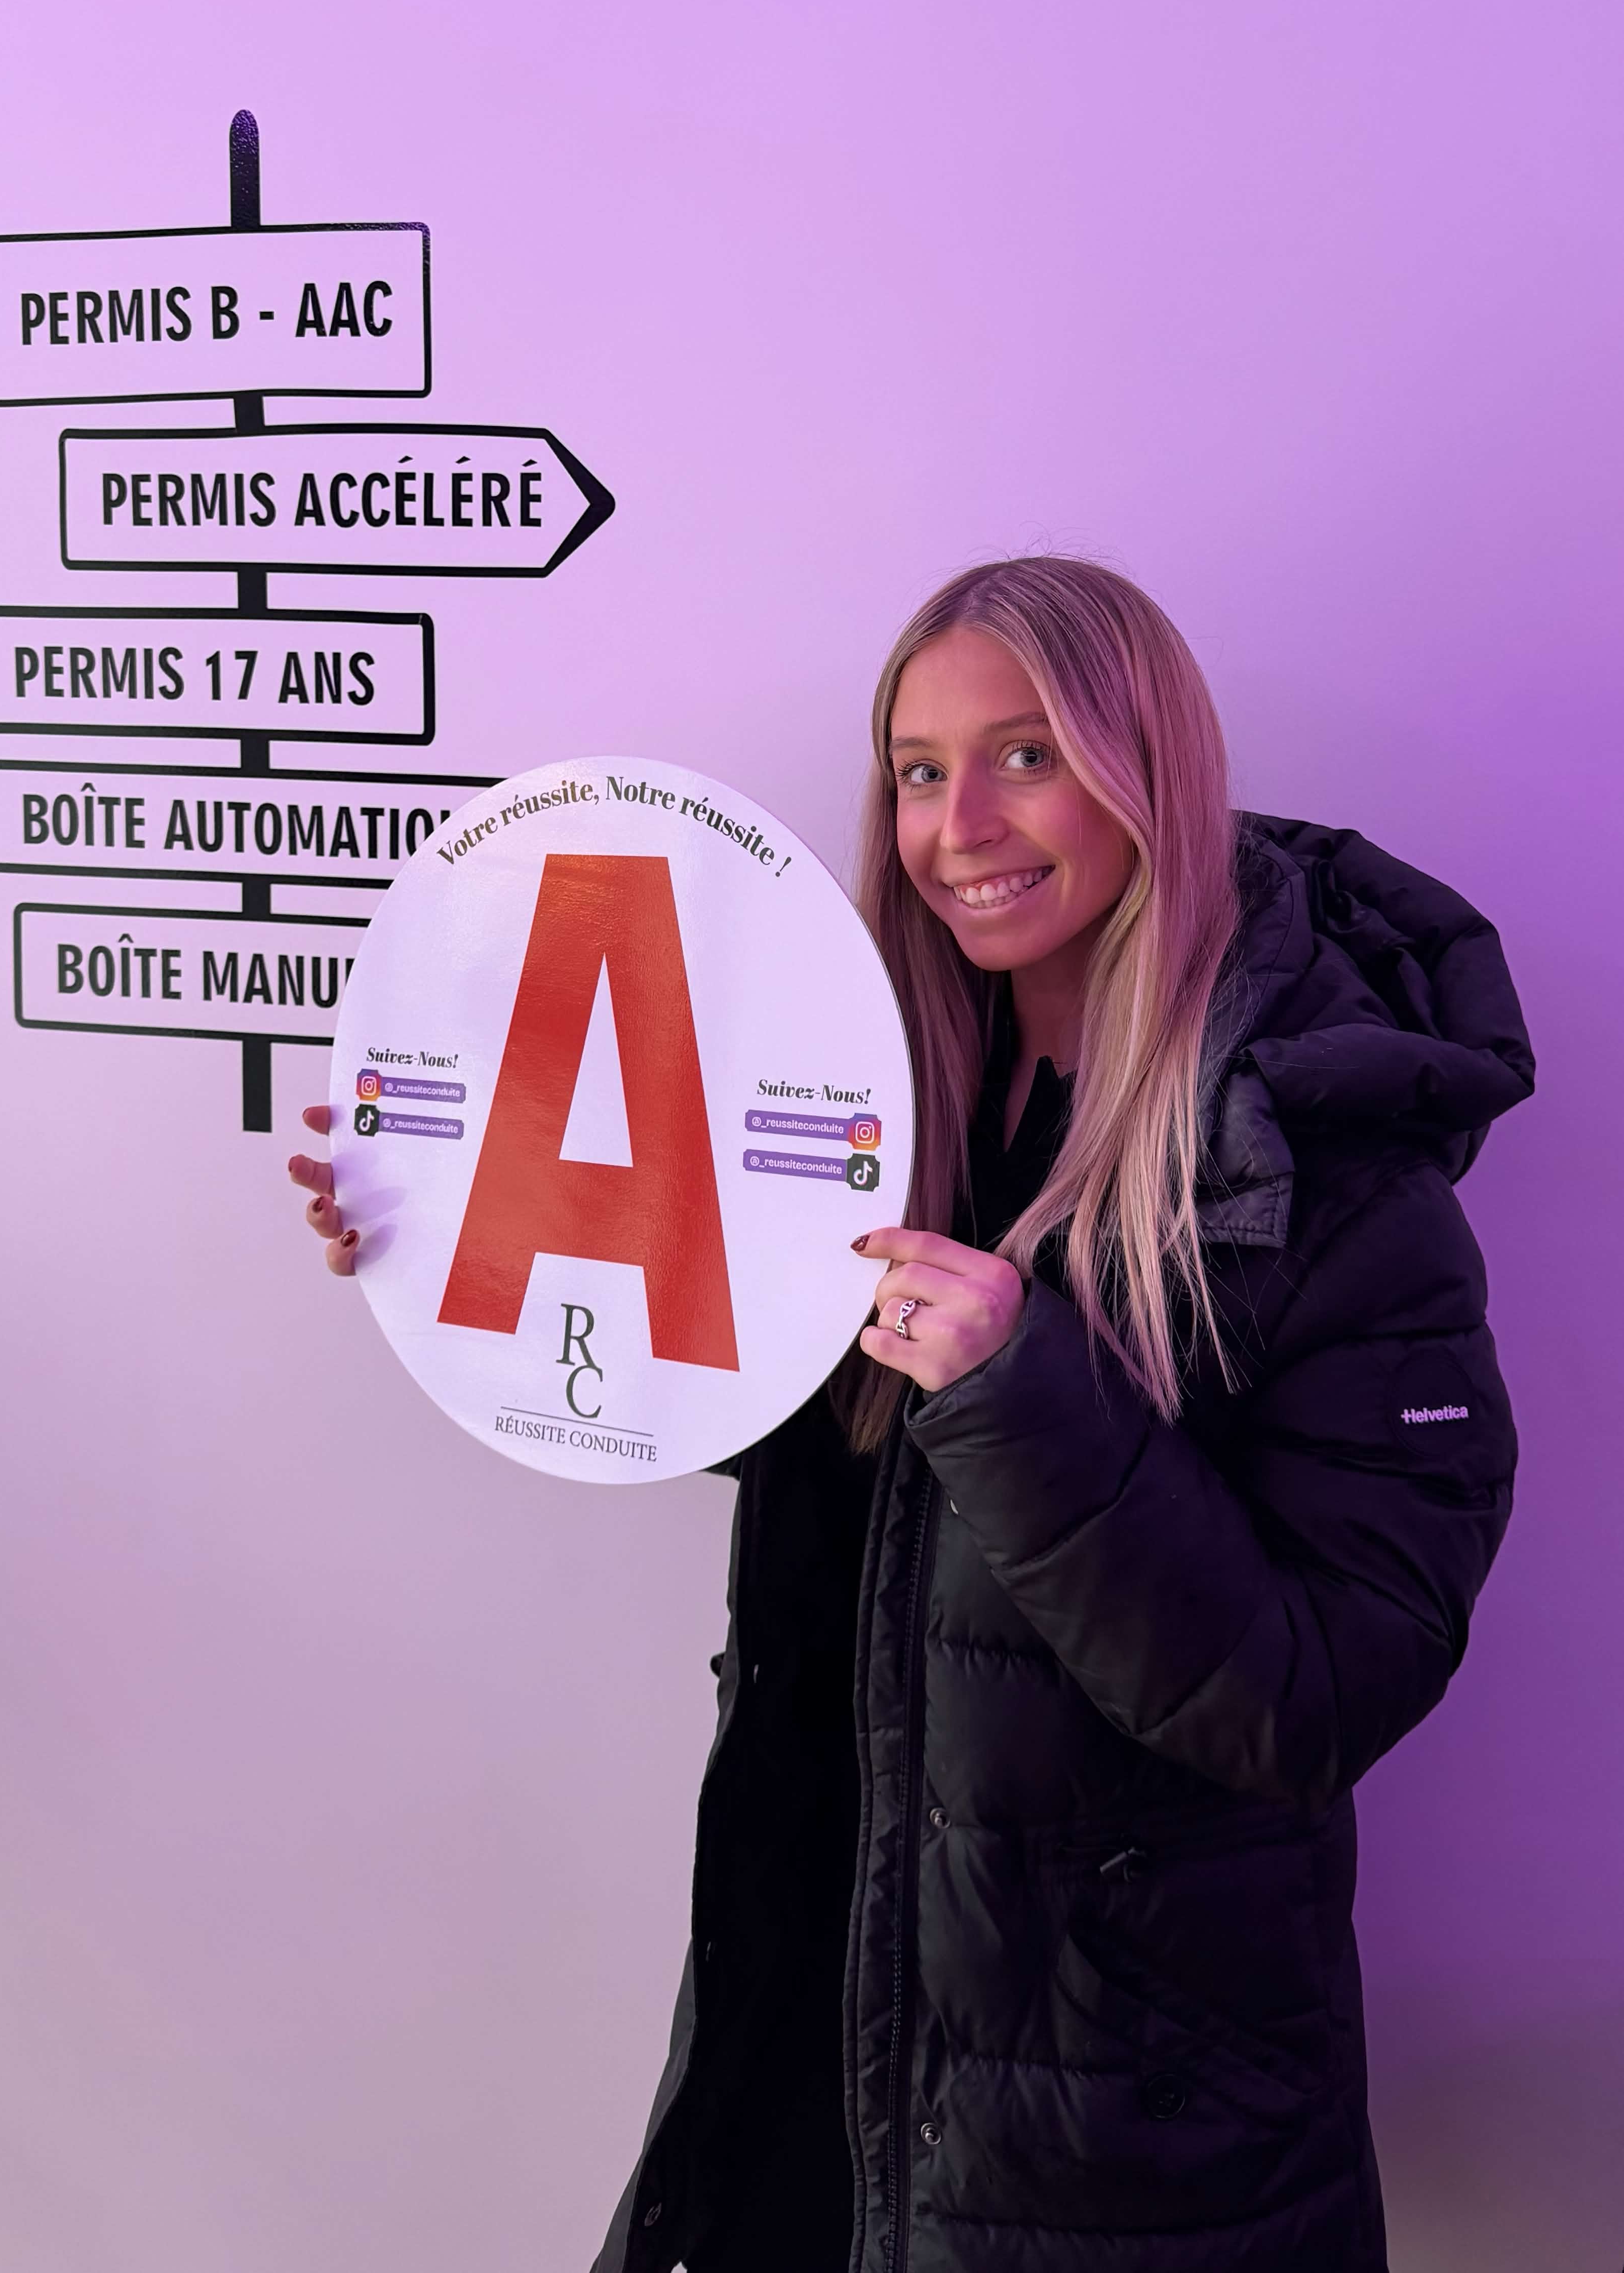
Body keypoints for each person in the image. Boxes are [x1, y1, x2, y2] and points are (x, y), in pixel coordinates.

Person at [289, 555, 1532, 2273]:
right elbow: (833, 1453)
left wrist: (1029, 1396)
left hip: (1121, 2135)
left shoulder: (1328, 1188)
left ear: (1147, 764)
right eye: (920, 768)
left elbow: (1310, 1701)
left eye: (1029, 754)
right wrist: (464, 1232)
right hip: (822, 2037)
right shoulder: (864, 1096)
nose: (960, 824)